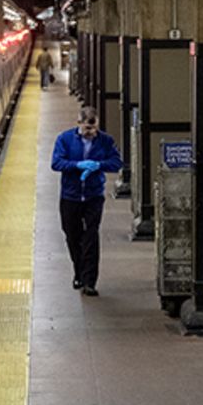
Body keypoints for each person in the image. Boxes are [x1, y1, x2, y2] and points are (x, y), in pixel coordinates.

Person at [50, 106, 122, 296]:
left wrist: (99, 165)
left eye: (94, 128)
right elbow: (56, 163)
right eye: (87, 128)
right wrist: (76, 165)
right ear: (79, 123)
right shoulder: (64, 139)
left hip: (93, 196)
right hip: (70, 196)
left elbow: (116, 162)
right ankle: (79, 271)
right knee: (72, 235)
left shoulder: (105, 141)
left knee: (91, 236)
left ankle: (89, 281)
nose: (91, 132)